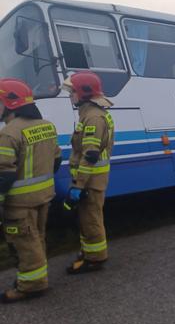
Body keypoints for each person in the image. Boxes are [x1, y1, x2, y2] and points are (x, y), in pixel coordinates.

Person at [0, 78, 61, 303]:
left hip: (18, 203)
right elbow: (56, 160)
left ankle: (31, 285)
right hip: (44, 197)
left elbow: (4, 175)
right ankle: (36, 276)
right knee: (37, 238)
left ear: (10, 104)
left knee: (25, 243)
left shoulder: (8, 134)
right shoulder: (46, 125)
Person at [62, 71, 115, 274]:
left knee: (91, 219)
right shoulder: (91, 113)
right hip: (91, 179)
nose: (70, 95)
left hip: (90, 181)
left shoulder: (92, 117)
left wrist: (78, 185)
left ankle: (95, 259)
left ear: (83, 93)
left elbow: (90, 155)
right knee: (87, 218)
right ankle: (89, 253)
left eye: (72, 91)